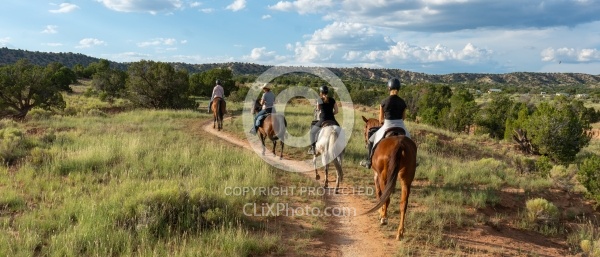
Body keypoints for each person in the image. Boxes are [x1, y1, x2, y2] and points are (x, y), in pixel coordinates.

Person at [360, 77, 411, 169]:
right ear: (399, 89)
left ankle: (368, 161)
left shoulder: (383, 102)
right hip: (401, 126)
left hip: (387, 125)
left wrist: (384, 121)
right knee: (410, 142)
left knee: (371, 140)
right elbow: (403, 117)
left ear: (388, 88)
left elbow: (380, 120)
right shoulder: (403, 102)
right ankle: (414, 162)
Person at [308, 85, 339, 155]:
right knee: (340, 131)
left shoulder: (319, 100)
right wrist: (331, 114)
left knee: (312, 132)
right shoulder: (332, 100)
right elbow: (336, 111)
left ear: (321, 92)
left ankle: (313, 149)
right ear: (327, 92)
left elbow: (318, 109)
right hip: (332, 120)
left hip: (323, 119)